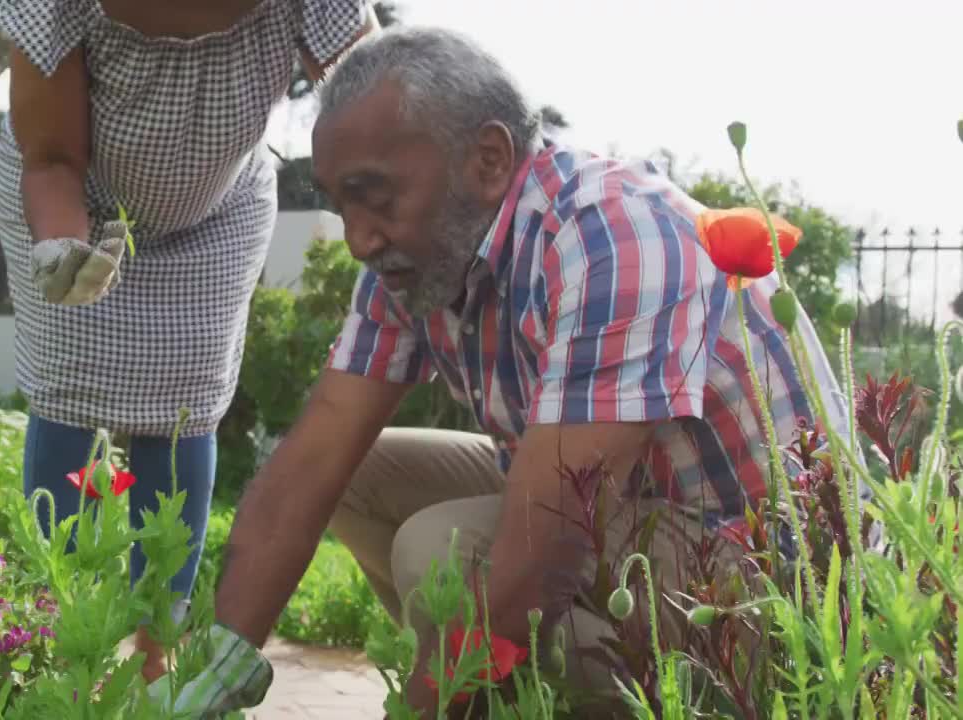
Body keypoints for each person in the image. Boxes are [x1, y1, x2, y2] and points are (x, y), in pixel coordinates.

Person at [151, 25, 855, 718]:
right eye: (344, 205)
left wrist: (418, 709)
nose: (358, 238)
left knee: (443, 558)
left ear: (488, 158)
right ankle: (507, 684)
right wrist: (209, 676)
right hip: (629, 513)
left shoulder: (611, 235)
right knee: (365, 479)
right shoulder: (415, 256)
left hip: (777, 582)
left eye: (377, 194)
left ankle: (538, 691)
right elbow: (311, 461)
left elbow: (546, 538)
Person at [0, 0, 381, 682]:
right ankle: (58, 636)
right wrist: (60, 242)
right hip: (68, 202)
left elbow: (377, 104)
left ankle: (157, 654)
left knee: (184, 407)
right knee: (69, 391)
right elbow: (51, 155)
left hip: (215, 215)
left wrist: (382, 200)